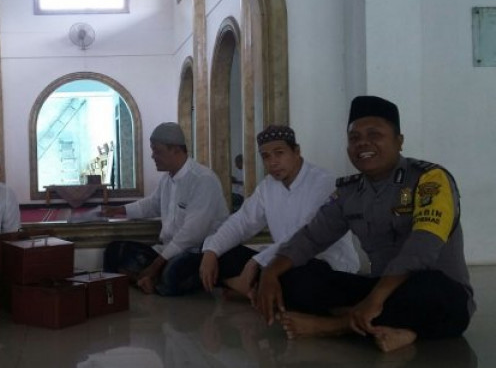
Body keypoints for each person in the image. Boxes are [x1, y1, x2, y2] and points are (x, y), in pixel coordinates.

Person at [256, 96, 475, 352]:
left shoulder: (430, 179)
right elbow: (311, 238)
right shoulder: (348, 192)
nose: (363, 143)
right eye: (354, 138)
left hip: (431, 291)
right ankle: (393, 327)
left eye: (374, 134)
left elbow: (422, 248)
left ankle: (337, 325)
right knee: (295, 276)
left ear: (399, 141)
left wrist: (375, 300)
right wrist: (270, 272)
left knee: (434, 289)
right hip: (379, 286)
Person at [200, 125, 359, 299]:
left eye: (279, 153)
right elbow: (242, 222)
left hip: (324, 262)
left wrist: (257, 261)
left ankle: (243, 286)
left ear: (296, 151)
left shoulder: (323, 183)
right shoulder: (267, 187)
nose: (273, 162)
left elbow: (303, 235)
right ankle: (251, 288)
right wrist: (211, 251)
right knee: (220, 255)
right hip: (279, 260)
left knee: (300, 279)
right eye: (266, 156)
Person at [102, 122, 229, 296]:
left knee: (173, 273)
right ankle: (147, 281)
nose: (153, 156)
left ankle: (146, 279)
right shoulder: (167, 179)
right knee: (114, 251)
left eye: (157, 151)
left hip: (197, 253)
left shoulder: (203, 180)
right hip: (166, 251)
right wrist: (118, 210)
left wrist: (155, 266)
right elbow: (152, 204)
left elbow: (192, 235)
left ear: (176, 150)